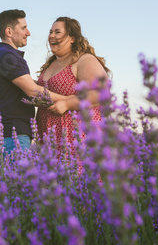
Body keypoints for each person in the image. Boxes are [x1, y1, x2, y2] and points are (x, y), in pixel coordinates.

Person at [0, 9, 69, 155]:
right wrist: (69, 100)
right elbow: (33, 91)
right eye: (24, 28)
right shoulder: (8, 56)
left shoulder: (4, 55)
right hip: (11, 134)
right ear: (9, 31)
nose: (28, 33)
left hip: (9, 133)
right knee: (15, 177)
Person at [35, 16, 111, 156]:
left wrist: (67, 104)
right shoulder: (50, 64)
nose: (51, 35)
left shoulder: (83, 60)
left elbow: (102, 92)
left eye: (57, 32)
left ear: (72, 38)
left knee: (76, 177)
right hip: (48, 138)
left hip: (77, 138)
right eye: (50, 32)